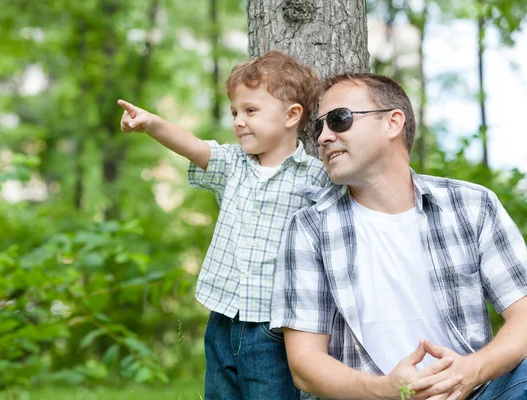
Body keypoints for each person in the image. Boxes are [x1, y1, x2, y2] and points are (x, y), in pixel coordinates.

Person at [270, 73, 527, 399]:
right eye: (318, 127)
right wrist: (386, 390)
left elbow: (524, 317)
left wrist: (470, 372)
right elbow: (305, 363)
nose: (323, 137)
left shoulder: (472, 206)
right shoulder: (309, 229)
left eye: (338, 119)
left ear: (392, 123)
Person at [118, 50, 328, 399]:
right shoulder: (233, 164)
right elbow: (193, 146)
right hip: (222, 316)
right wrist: (152, 123)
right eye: (235, 112)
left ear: (292, 115)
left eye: (250, 110)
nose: (238, 121)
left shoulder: (315, 177)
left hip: (273, 325)